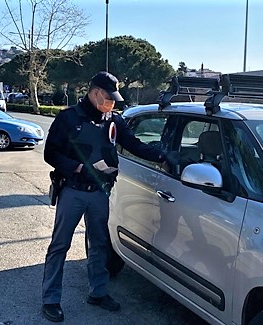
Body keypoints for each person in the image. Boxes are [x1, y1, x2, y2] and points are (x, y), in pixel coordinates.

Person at [41, 71, 177, 322]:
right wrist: (80, 168)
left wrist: (162, 156)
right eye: (108, 98)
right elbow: (51, 154)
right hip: (73, 190)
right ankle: (51, 299)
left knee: (99, 243)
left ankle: (98, 292)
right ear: (94, 93)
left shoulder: (113, 120)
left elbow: (134, 144)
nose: (112, 103)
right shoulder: (68, 118)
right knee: (60, 245)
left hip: (99, 193)